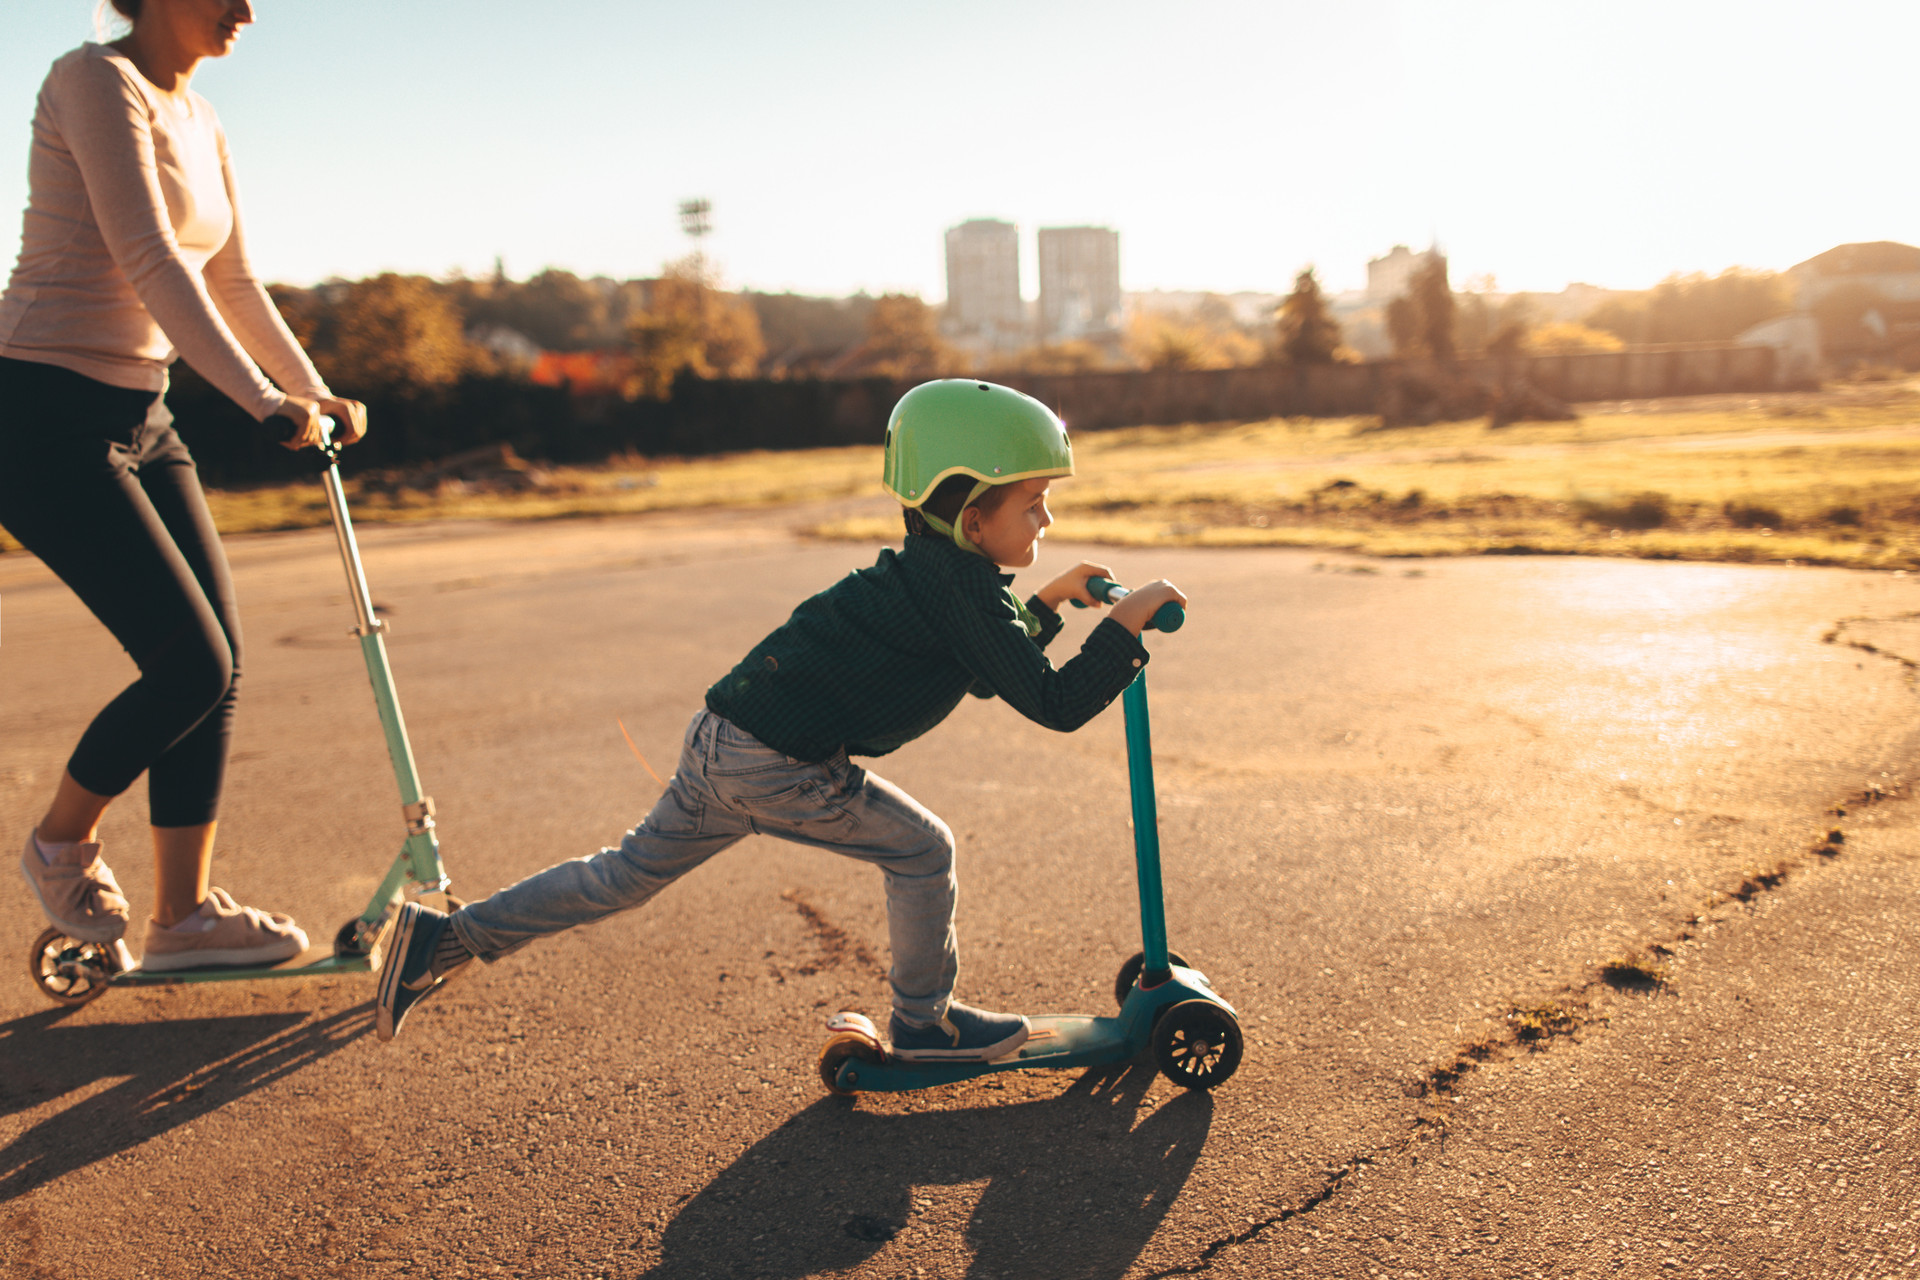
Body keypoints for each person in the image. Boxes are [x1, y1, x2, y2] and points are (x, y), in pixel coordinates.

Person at [376, 379, 1187, 1056]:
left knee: (621, 875)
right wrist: (1123, 628)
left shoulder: (938, 574)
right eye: (1033, 504)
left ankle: (443, 940)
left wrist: (1046, 604)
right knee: (921, 851)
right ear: (973, 518)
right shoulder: (964, 589)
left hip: (724, 740)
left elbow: (988, 667)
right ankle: (924, 1022)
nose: (1045, 522)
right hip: (779, 766)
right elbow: (1052, 702)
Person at [2, 0, 366, 971]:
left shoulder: (201, 118)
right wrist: (260, 402)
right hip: (40, 412)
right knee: (189, 664)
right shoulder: (92, 81)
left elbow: (233, 277)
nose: (248, 10)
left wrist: (312, 389)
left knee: (222, 664)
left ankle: (182, 917)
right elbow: (152, 259)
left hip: (140, 411)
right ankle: (60, 843)